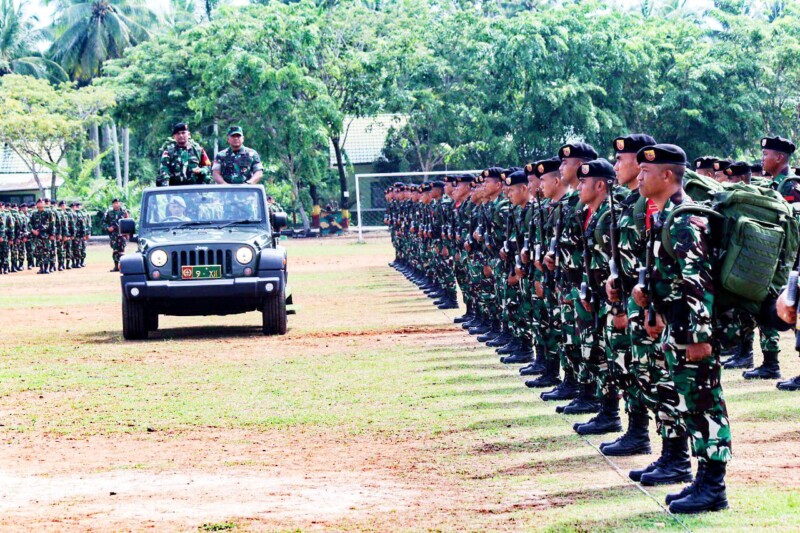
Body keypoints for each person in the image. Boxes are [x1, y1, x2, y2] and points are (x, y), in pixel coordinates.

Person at [633, 143, 731, 514]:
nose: (640, 178)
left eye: (646, 173)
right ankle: (701, 477)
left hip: (693, 332)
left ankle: (713, 485)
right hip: (676, 326)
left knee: (706, 403)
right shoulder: (665, 217)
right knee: (692, 402)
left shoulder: (686, 218)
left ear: (668, 176)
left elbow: (697, 282)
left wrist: (699, 337)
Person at [157, 123, 212, 187]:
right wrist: (166, 189)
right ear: (174, 136)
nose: (180, 135)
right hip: (175, 189)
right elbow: (164, 171)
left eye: (183, 133)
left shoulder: (198, 150)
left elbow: (208, 166)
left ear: (189, 135)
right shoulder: (169, 151)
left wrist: (201, 170)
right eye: (178, 133)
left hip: (195, 188)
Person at [102, 198, 129, 272]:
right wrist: (108, 228)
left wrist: (127, 233)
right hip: (114, 234)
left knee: (122, 250)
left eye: (117, 203)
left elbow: (127, 221)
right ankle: (116, 266)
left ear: (119, 203)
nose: (116, 204)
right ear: (112, 204)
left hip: (122, 234)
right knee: (115, 250)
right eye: (115, 203)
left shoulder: (124, 212)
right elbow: (103, 222)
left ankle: (123, 266)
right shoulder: (109, 212)